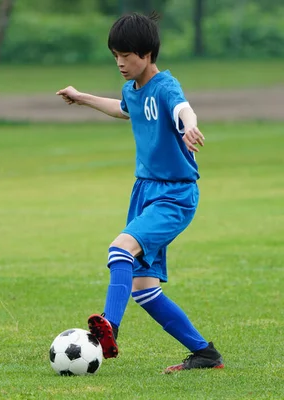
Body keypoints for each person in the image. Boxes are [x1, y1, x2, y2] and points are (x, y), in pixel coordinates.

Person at [56, 12, 224, 373]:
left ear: (147, 54)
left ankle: (108, 330)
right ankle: (205, 354)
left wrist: (190, 127)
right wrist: (81, 97)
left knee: (120, 249)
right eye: (115, 55)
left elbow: (183, 109)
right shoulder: (133, 90)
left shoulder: (164, 86)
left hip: (174, 195)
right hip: (145, 193)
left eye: (126, 55)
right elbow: (123, 110)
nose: (120, 62)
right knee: (144, 289)